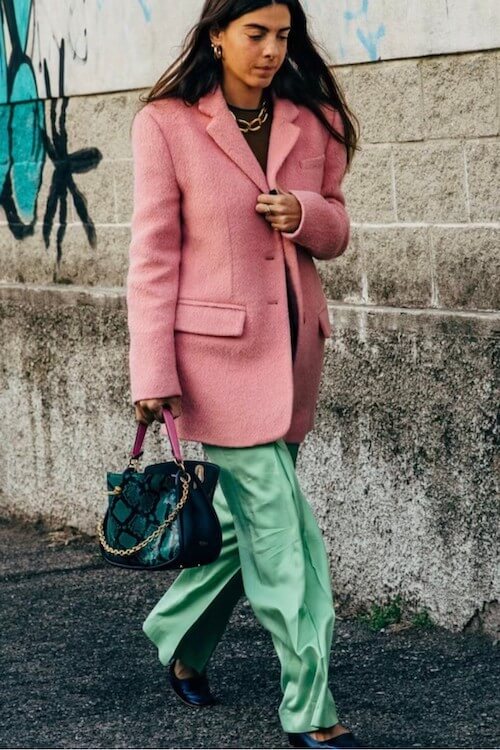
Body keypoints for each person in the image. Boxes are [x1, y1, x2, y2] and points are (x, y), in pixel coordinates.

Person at [126, 1, 361, 747]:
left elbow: (338, 227)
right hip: (216, 364)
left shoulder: (310, 117)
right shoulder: (166, 124)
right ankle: (311, 709)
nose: (268, 50)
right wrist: (151, 369)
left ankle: (178, 639)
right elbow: (154, 257)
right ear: (217, 34)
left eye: (281, 36)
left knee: (242, 530)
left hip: (293, 355)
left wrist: (306, 212)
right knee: (287, 538)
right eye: (253, 33)